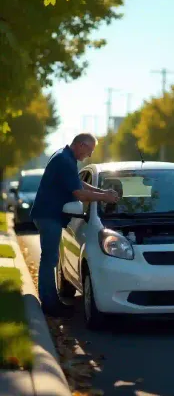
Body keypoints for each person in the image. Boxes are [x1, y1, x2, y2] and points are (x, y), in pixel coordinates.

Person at [30, 133, 119, 317]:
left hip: (49, 215)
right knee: (50, 259)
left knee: (49, 258)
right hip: (49, 216)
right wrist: (104, 197)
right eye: (90, 150)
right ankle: (49, 305)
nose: (89, 155)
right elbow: (79, 193)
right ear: (80, 145)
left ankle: (51, 301)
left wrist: (102, 191)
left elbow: (80, 184)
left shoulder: (65, 157)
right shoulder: (64, 160)